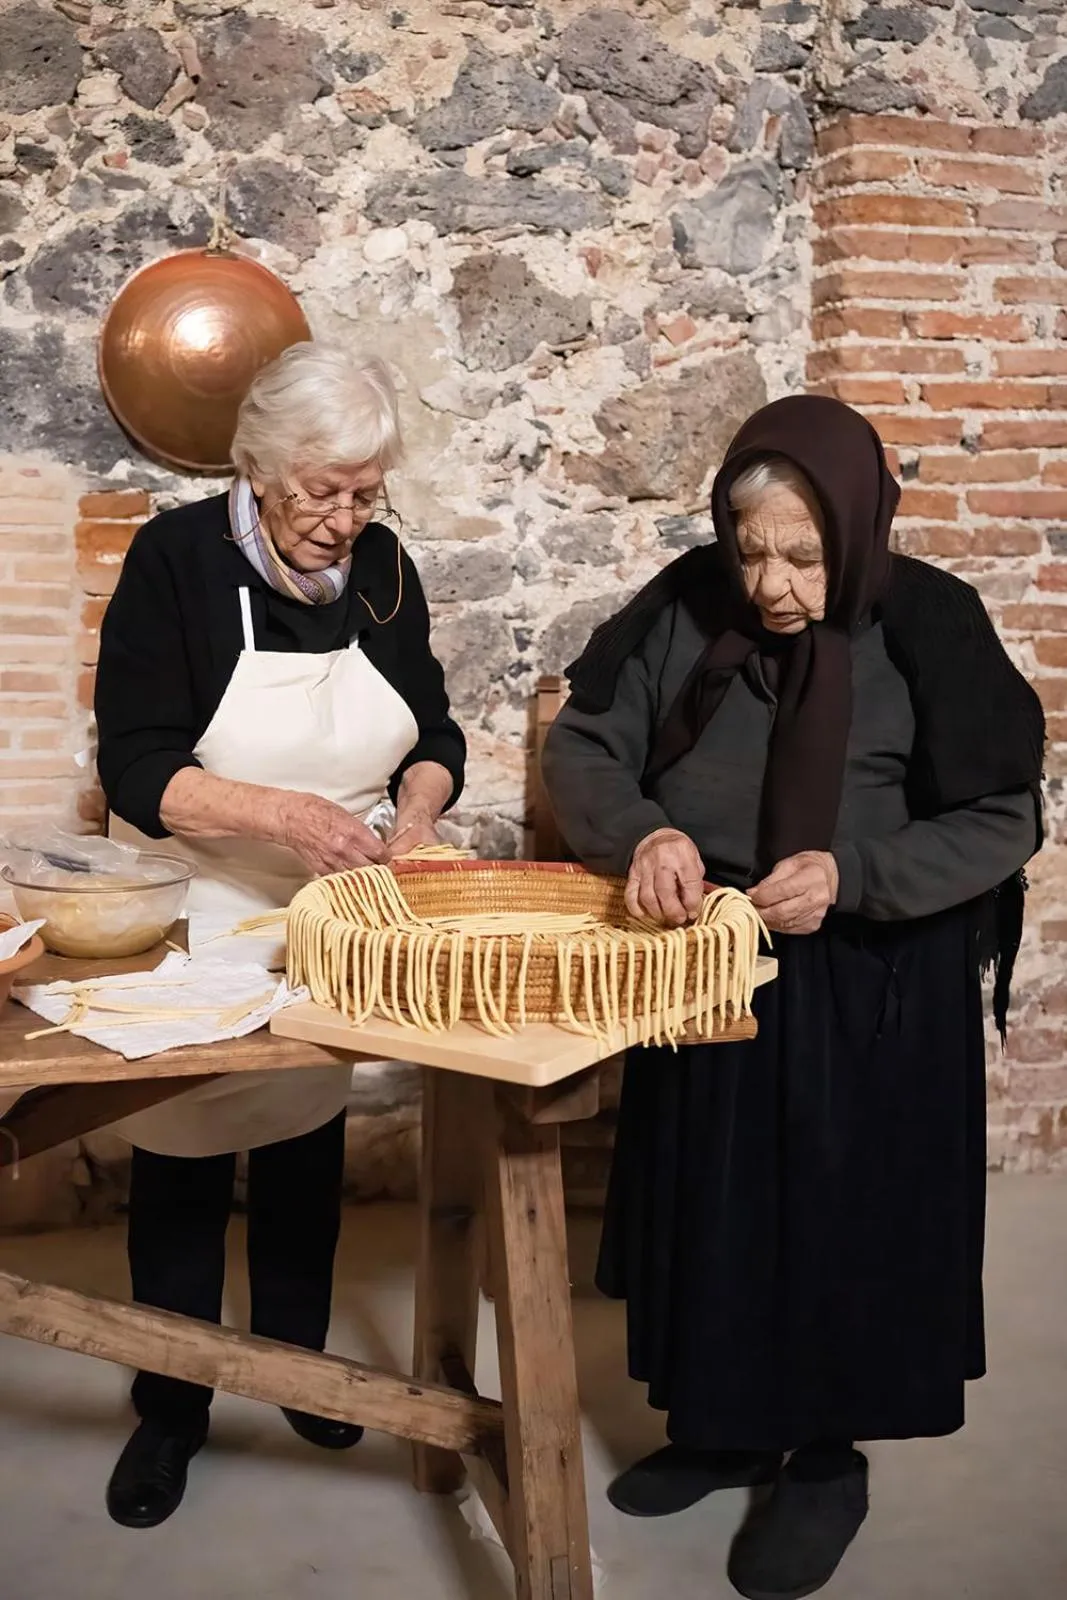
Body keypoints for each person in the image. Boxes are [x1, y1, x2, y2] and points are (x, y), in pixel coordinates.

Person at [541, 395, 1044, 1600]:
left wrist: (851, 871)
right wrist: (646, 835)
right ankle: (721, 1421)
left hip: (873, 979)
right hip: (714, 952)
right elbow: (585, 746)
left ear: (859, 530)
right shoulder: (684, 602)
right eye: (747, 546)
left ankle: (823, 1457)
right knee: (712, 1205)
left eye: (802, 555)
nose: (768, 584)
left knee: (841, 1218)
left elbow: (999, 818)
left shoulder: (931, 621)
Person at [94, 342, 465, 1529]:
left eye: (364, 492)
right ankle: (173, 1405)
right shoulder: (173, 562)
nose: (344, 519)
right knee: (189, 1152)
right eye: (321, 491)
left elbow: (435, 729)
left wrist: (412, 812)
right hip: (202, 901)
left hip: (337, 910)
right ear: (255, 469)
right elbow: (140, 765)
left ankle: (298, 1367)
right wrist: (282, 814)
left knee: (309, 1134)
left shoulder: (384, 568)